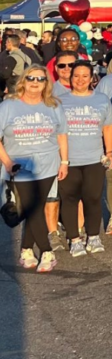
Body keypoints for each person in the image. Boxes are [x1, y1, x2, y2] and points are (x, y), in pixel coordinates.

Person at [0, 65, 68, 273]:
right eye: (31, 78)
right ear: (23, 80)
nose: (35, 83)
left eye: (40, 79)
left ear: (46, 83)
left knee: (36, 209)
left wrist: (64, 161)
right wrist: (8, 163)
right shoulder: (9, 105)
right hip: (19, 167)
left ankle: (27, 249)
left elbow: (62, 135)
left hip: (47, 164)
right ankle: (47, 251)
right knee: (32, 209)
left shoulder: (53, 105)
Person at [58, 61, 112, 257]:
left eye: (85, 76)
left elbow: (108, 127)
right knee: (70, 199)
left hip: (94, 158)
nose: (80, 80)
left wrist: (109, 152)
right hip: (68, 160)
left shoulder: (101, 100)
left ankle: (93, 236)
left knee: (92, 198)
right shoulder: (60, 101)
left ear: (92, 78)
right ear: (70, 78)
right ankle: (74, 238)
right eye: (76, 76)